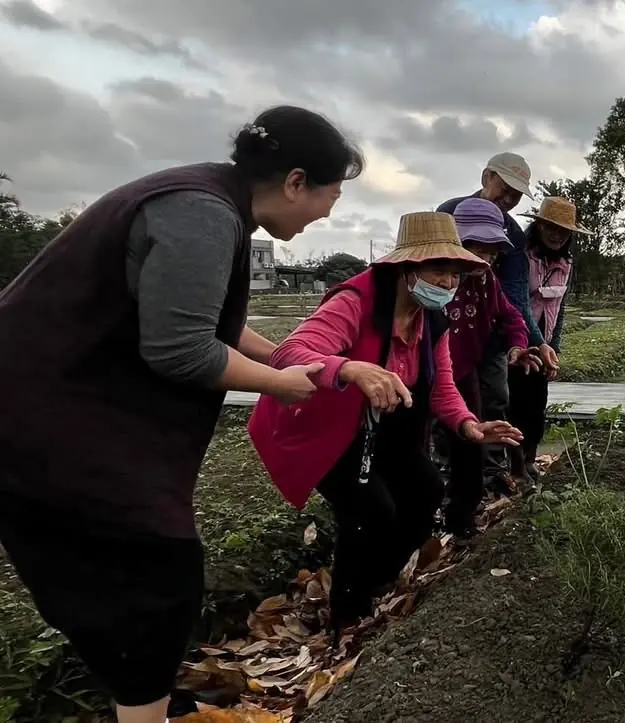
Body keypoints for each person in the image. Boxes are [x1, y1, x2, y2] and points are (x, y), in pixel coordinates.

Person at [0, 105, 361, 723]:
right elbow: (180, 348)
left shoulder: (208, 201)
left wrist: (286, 359)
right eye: (330, 194)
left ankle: (143, 697)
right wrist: (278, 384)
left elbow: (214, 322)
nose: (328, 210)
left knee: (127, 583)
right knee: (158, 580)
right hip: (47, 425)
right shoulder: (201, 213)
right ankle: (141, 704)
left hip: (62, 420)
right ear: (296, 181)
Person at [247, 211, 522, 635]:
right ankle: (346, 617)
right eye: (438, 270)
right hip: (326, 427)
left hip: (383, 428)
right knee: (369, 511)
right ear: (406, 268)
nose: (448, 283)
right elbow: (289, 353)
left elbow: (441, 387)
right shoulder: (355, 302)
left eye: (455, 273)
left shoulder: (432, 319)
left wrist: (469, 425)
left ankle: (374, 584)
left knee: (426, 491)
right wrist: (349, 369)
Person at [437, 152, 558, 489]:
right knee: (443, 409)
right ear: (486, 177)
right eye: (504, 189)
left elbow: (513, 299)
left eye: (515, 196)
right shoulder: (447, 214)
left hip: (486, 340)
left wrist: (528, 343)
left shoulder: (512, 241)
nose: (507, 200)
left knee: (494, 401)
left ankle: (489, 471)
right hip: (441, 346)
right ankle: (448, 469)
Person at [441, 198, 534, 539]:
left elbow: (510, 315)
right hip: (422, 378)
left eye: (493, 251)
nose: (487, 259)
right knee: (417, 452)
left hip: (462, 375)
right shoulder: (439, 279)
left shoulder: (486, 281)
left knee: (470, 445)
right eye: (478, 249)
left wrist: (516, 345)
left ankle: (460, 521)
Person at [508, 196, 589, 481]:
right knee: (513, 403)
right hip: (516, 341)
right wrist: (538, 342)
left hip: (544, 343)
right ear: (539, 225)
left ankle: (529, 458)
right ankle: (514, 464)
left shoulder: (565, 262)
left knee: (536, 406)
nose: (557, 235)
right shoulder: (520, 256)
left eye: (563, 231)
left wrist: (554, 347)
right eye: (551, 228)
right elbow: (517, 302)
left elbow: (559, 307)